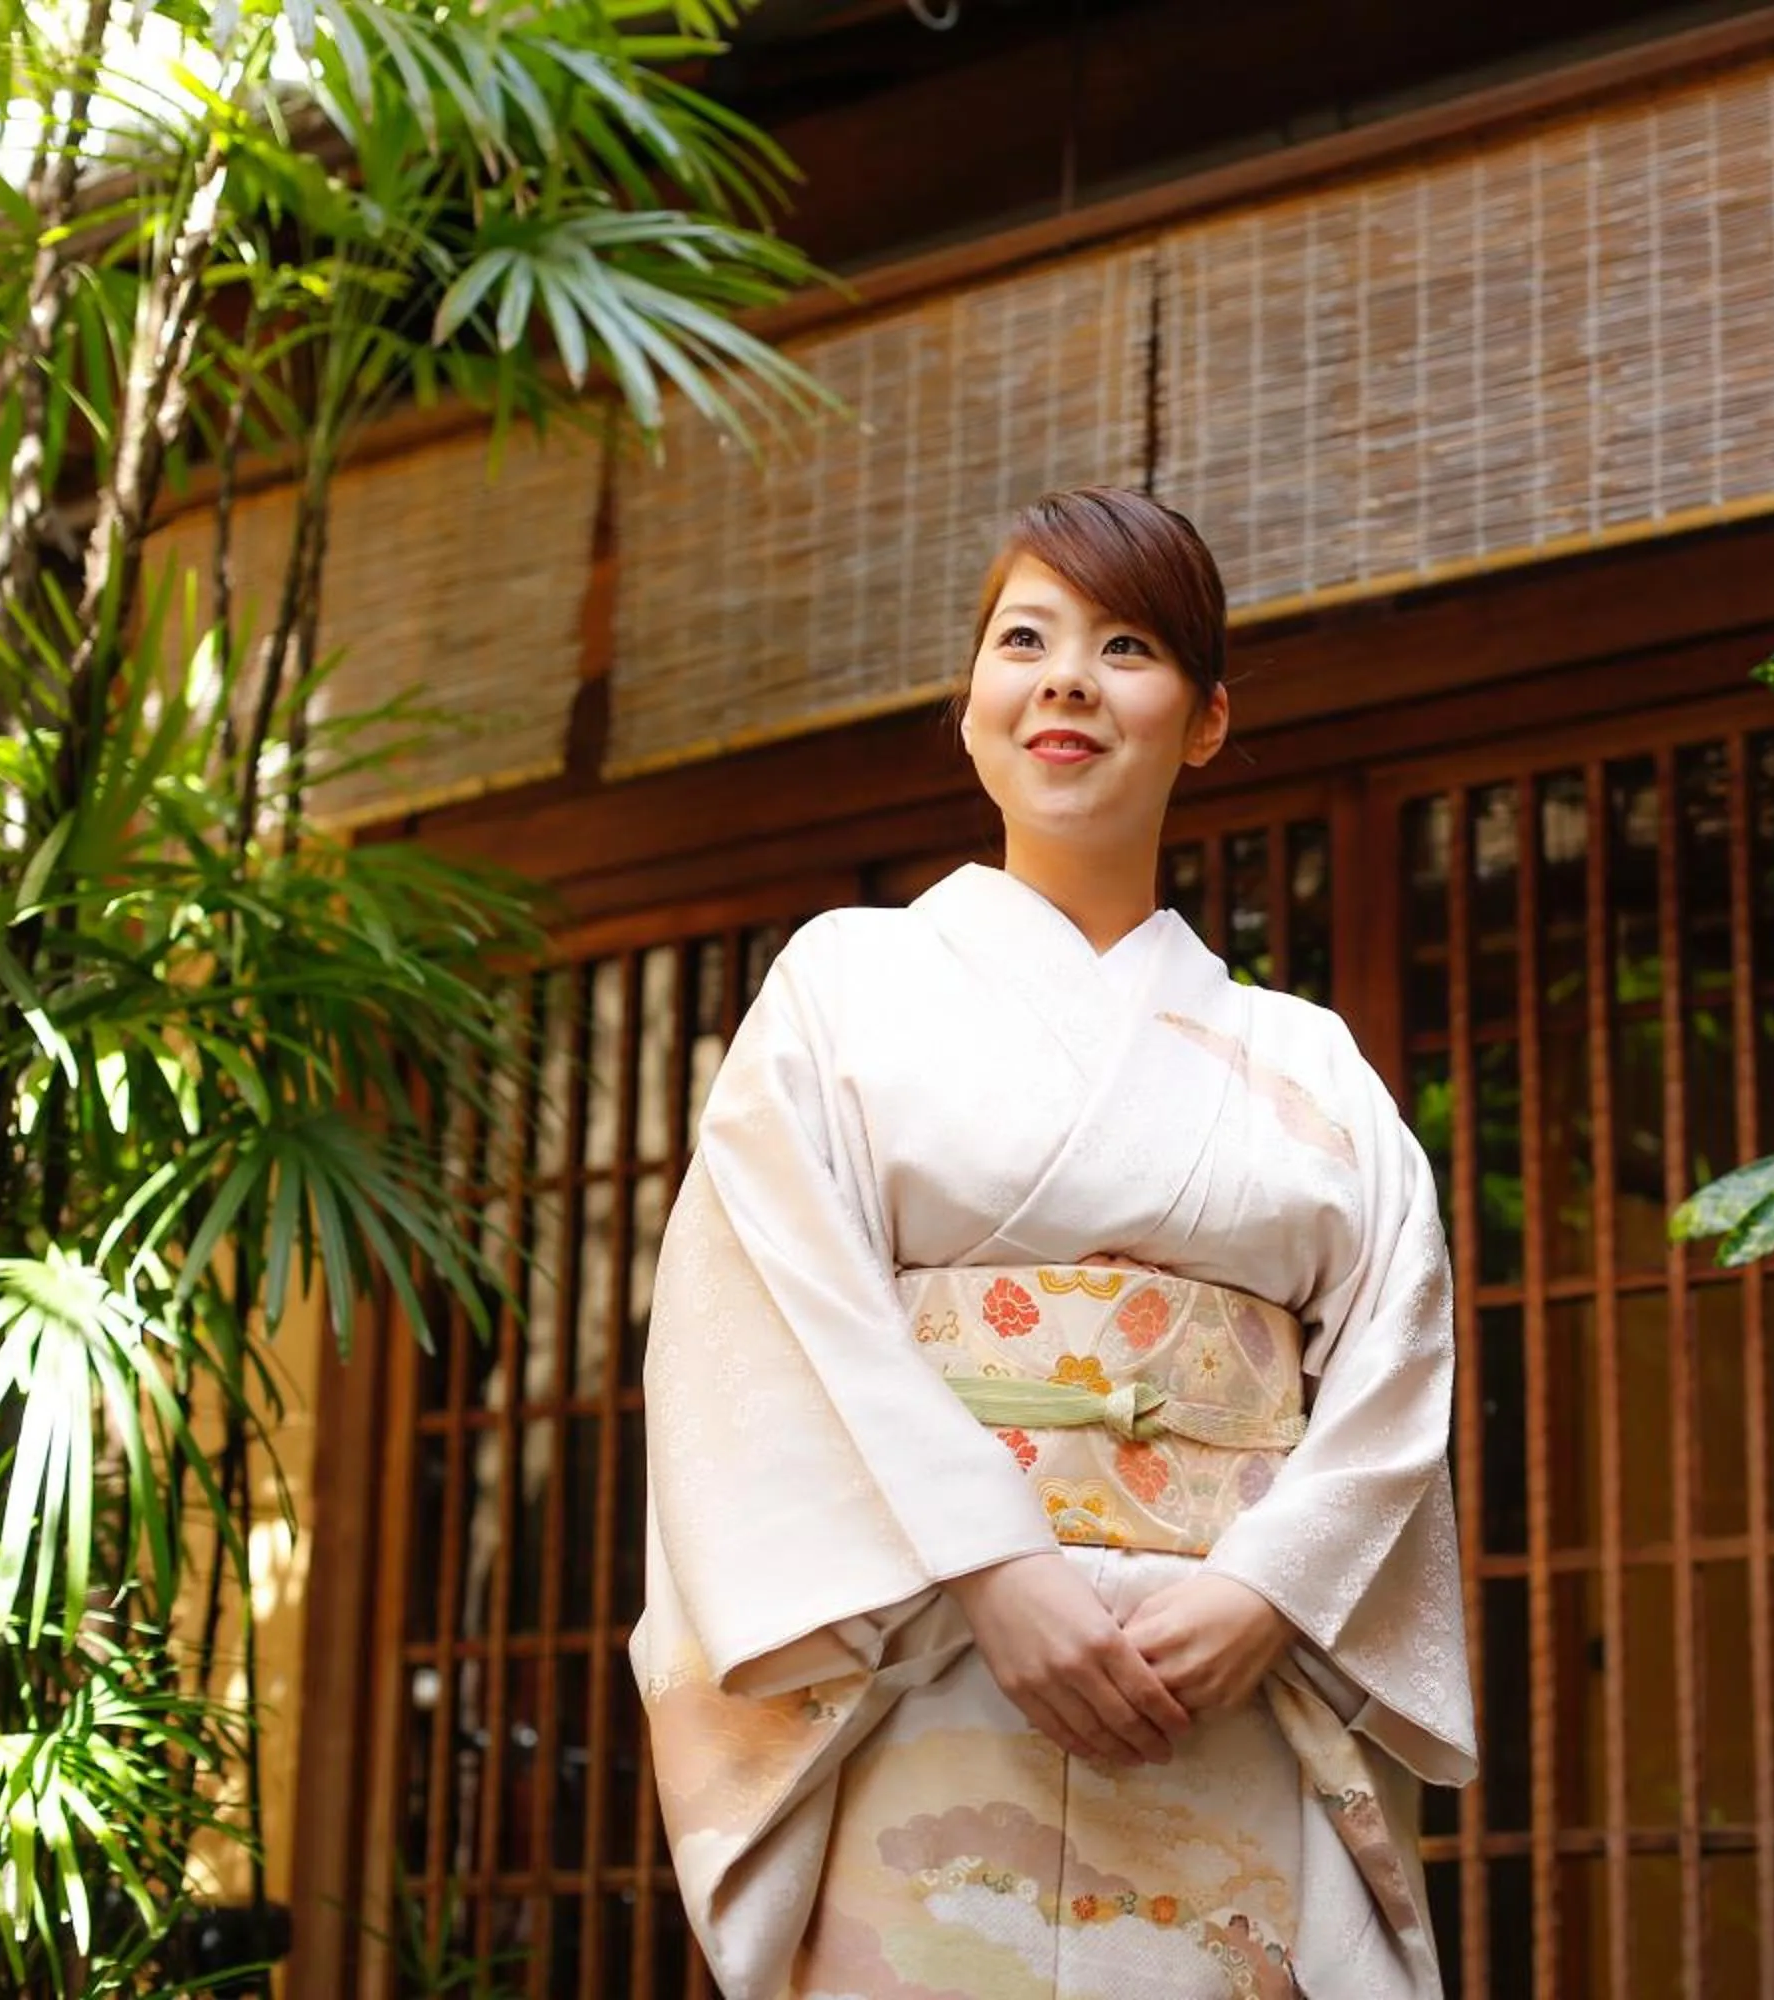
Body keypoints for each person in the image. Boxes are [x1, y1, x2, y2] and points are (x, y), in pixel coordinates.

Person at [630, 486, 1475, 1999]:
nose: (1068, 677)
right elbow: (776, 1312)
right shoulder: (845, 986)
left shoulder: (1311, 1060)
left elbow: (1399, 1357)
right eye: (1027, 639)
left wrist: (1270, 1589)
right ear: (972, 708)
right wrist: (996, 1570)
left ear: (1206, 721)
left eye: (1127, 644)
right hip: (934, 1659)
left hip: (1222, 1673)